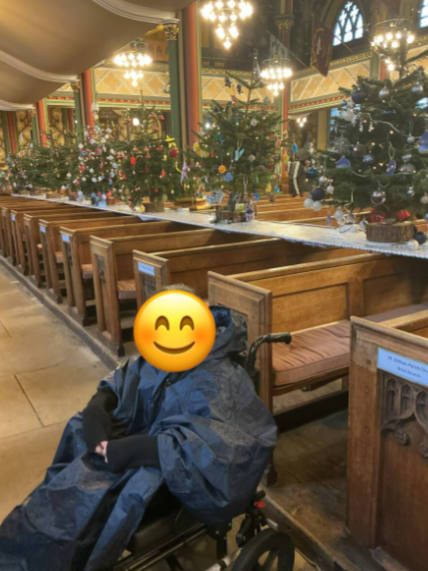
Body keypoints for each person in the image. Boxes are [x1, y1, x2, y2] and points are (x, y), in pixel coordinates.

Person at [0, 286, 278, 571]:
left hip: (169, 474)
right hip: (135, 448)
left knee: (88, 505)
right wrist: (100, 403)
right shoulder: (160, 348)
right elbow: (128, 376)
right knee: (78, 433)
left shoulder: (223, 379)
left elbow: (230, 449)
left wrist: (147, 449)